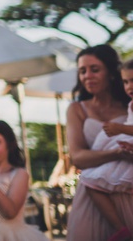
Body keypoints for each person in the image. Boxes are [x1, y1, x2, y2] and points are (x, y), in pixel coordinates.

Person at [66, 44, 133, 241]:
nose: (87, 76)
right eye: (82, 71)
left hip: (127, 188)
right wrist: (117, 154)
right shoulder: (77, 109)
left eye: (94, 69)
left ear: (111, 73)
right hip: (94, 197)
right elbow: (77, 157)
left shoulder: (128, 108)